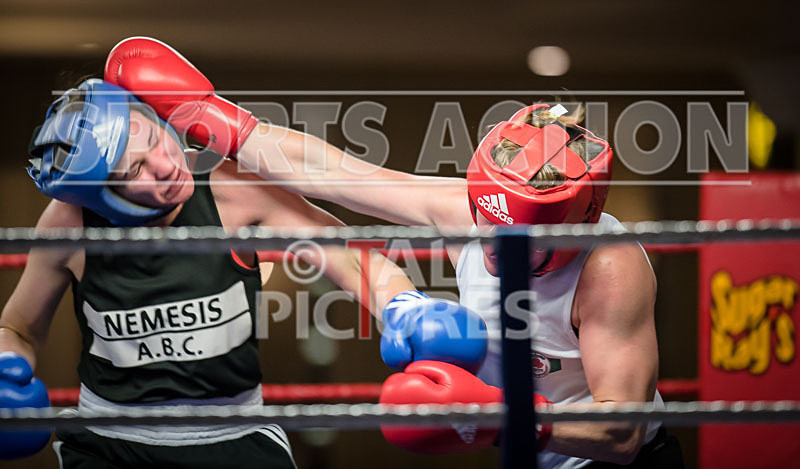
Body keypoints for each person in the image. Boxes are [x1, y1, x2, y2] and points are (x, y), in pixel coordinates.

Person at [91, 36, 682, 466]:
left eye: (519, 245)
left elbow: (621, 435)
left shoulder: (610, 266)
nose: (493, 252)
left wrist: (496, 414)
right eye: (485, 222)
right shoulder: (462, 210)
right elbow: (333, 174)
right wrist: (211, 117)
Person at [0, 77, 486, 467]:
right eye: (134, 172)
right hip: (110, 440)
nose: (165, 164)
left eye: (152, 139)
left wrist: (404, 306)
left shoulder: (232, 191)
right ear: (100, 198)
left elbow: (348, 256)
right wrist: (5, 365)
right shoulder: (69, 225)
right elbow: (18, 326)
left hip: (233, 433)